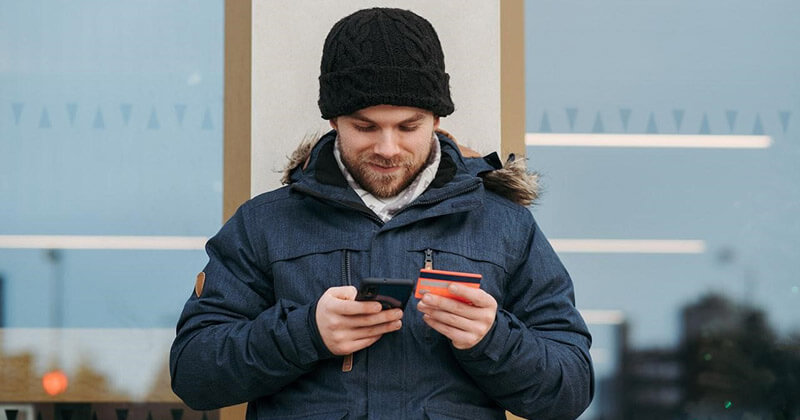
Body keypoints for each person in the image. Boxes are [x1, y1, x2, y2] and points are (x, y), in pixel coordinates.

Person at [170, 7, 593, 420]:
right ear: (334, 120)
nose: (388, 148)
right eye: (366, 127)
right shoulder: (263, 223)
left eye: (408, 127)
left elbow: (569, 391)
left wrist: (492, 338)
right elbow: (194, 374)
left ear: (436, 118)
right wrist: (305, 334)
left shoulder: (506, 226)